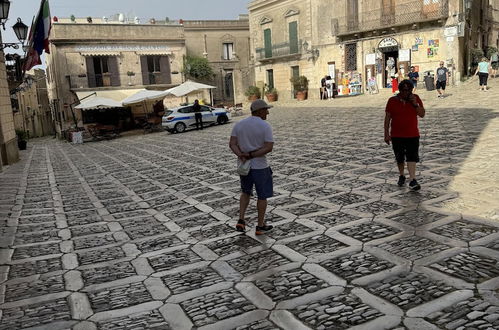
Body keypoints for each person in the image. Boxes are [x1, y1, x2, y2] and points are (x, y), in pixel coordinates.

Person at [230, 99, 274, 235]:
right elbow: (268, 147)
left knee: (245, 192)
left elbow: (232, 144)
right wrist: (251, 154)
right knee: (262, 196)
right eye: (266, 109)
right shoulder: (265, 126)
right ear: (260, 111)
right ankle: (260, 226)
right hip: (260, 166)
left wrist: (241, 155)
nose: (267, 112)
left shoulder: (239, 125)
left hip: (245, 166)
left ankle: (241, 220)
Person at [384, 79, 426, 191]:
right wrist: (386, 134)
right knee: (400, 157)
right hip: (397, 135)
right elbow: (387, 118)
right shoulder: (392, 101)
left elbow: (422, 114)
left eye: (408, 90)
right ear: (400, 90)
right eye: (404, 90)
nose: (406, 92)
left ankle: (412, 179)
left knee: (412, 156)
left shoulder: (415, 99)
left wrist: (415, 104)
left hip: (412, 134)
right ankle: (402, 175)